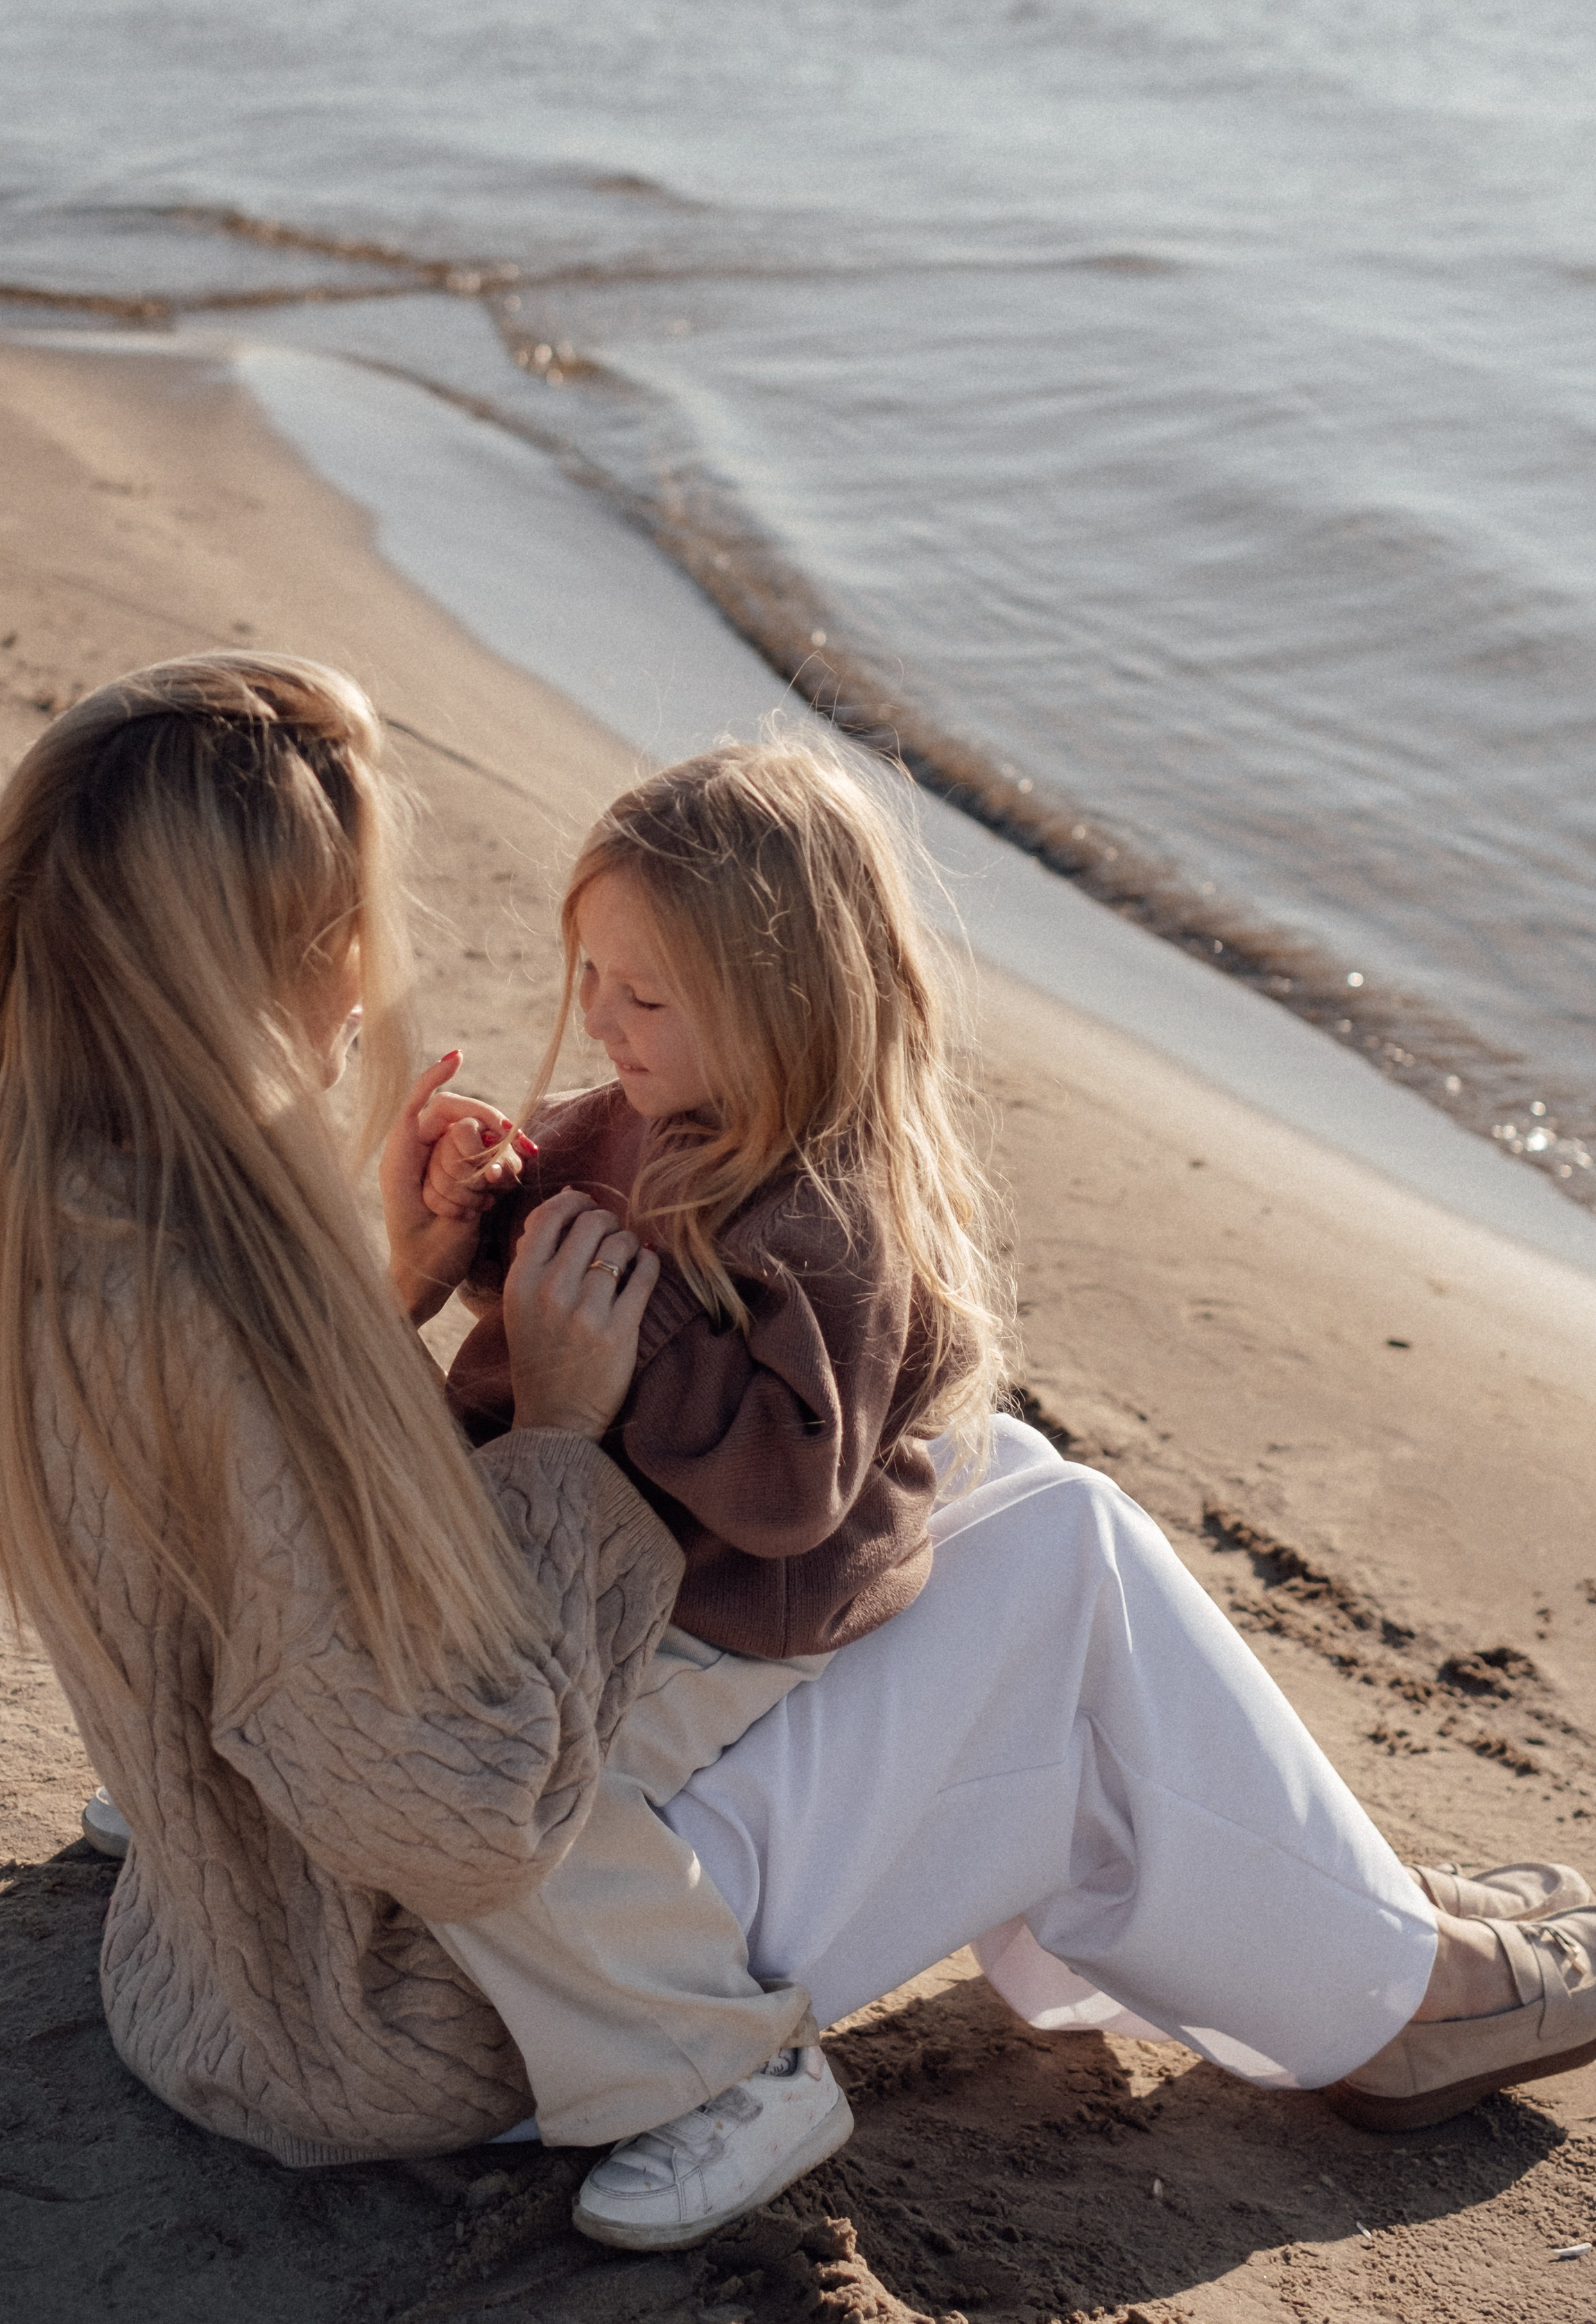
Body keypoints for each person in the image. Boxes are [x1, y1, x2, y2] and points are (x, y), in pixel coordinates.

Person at [0, 655, 1596, 2262]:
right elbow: (452, 1819)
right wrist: (554, 1427)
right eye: (347, 932)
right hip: (410, 2011)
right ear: (260, 944)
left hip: (242, 1937)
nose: (368, 976)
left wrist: (391, 1293)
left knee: (992, 1477)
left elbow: (255, 1569)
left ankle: (1338, 1914)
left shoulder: (51, 1194)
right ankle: (1391, 1990)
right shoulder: (197, 1299)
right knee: (1059, 1561)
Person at [398, 743, 1009, 2219]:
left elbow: (794, 1486)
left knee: (517, 1801)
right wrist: (474, 1197)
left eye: (644, 997)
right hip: (553, 1538)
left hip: (719, 1600)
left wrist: (635, 1333)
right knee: (343, 1613)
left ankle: (730, 2071)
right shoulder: (634, 1110)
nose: (598, 1022)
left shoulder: (832, 1225)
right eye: (589, 975)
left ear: (789, 1006)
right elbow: (532, 1243)